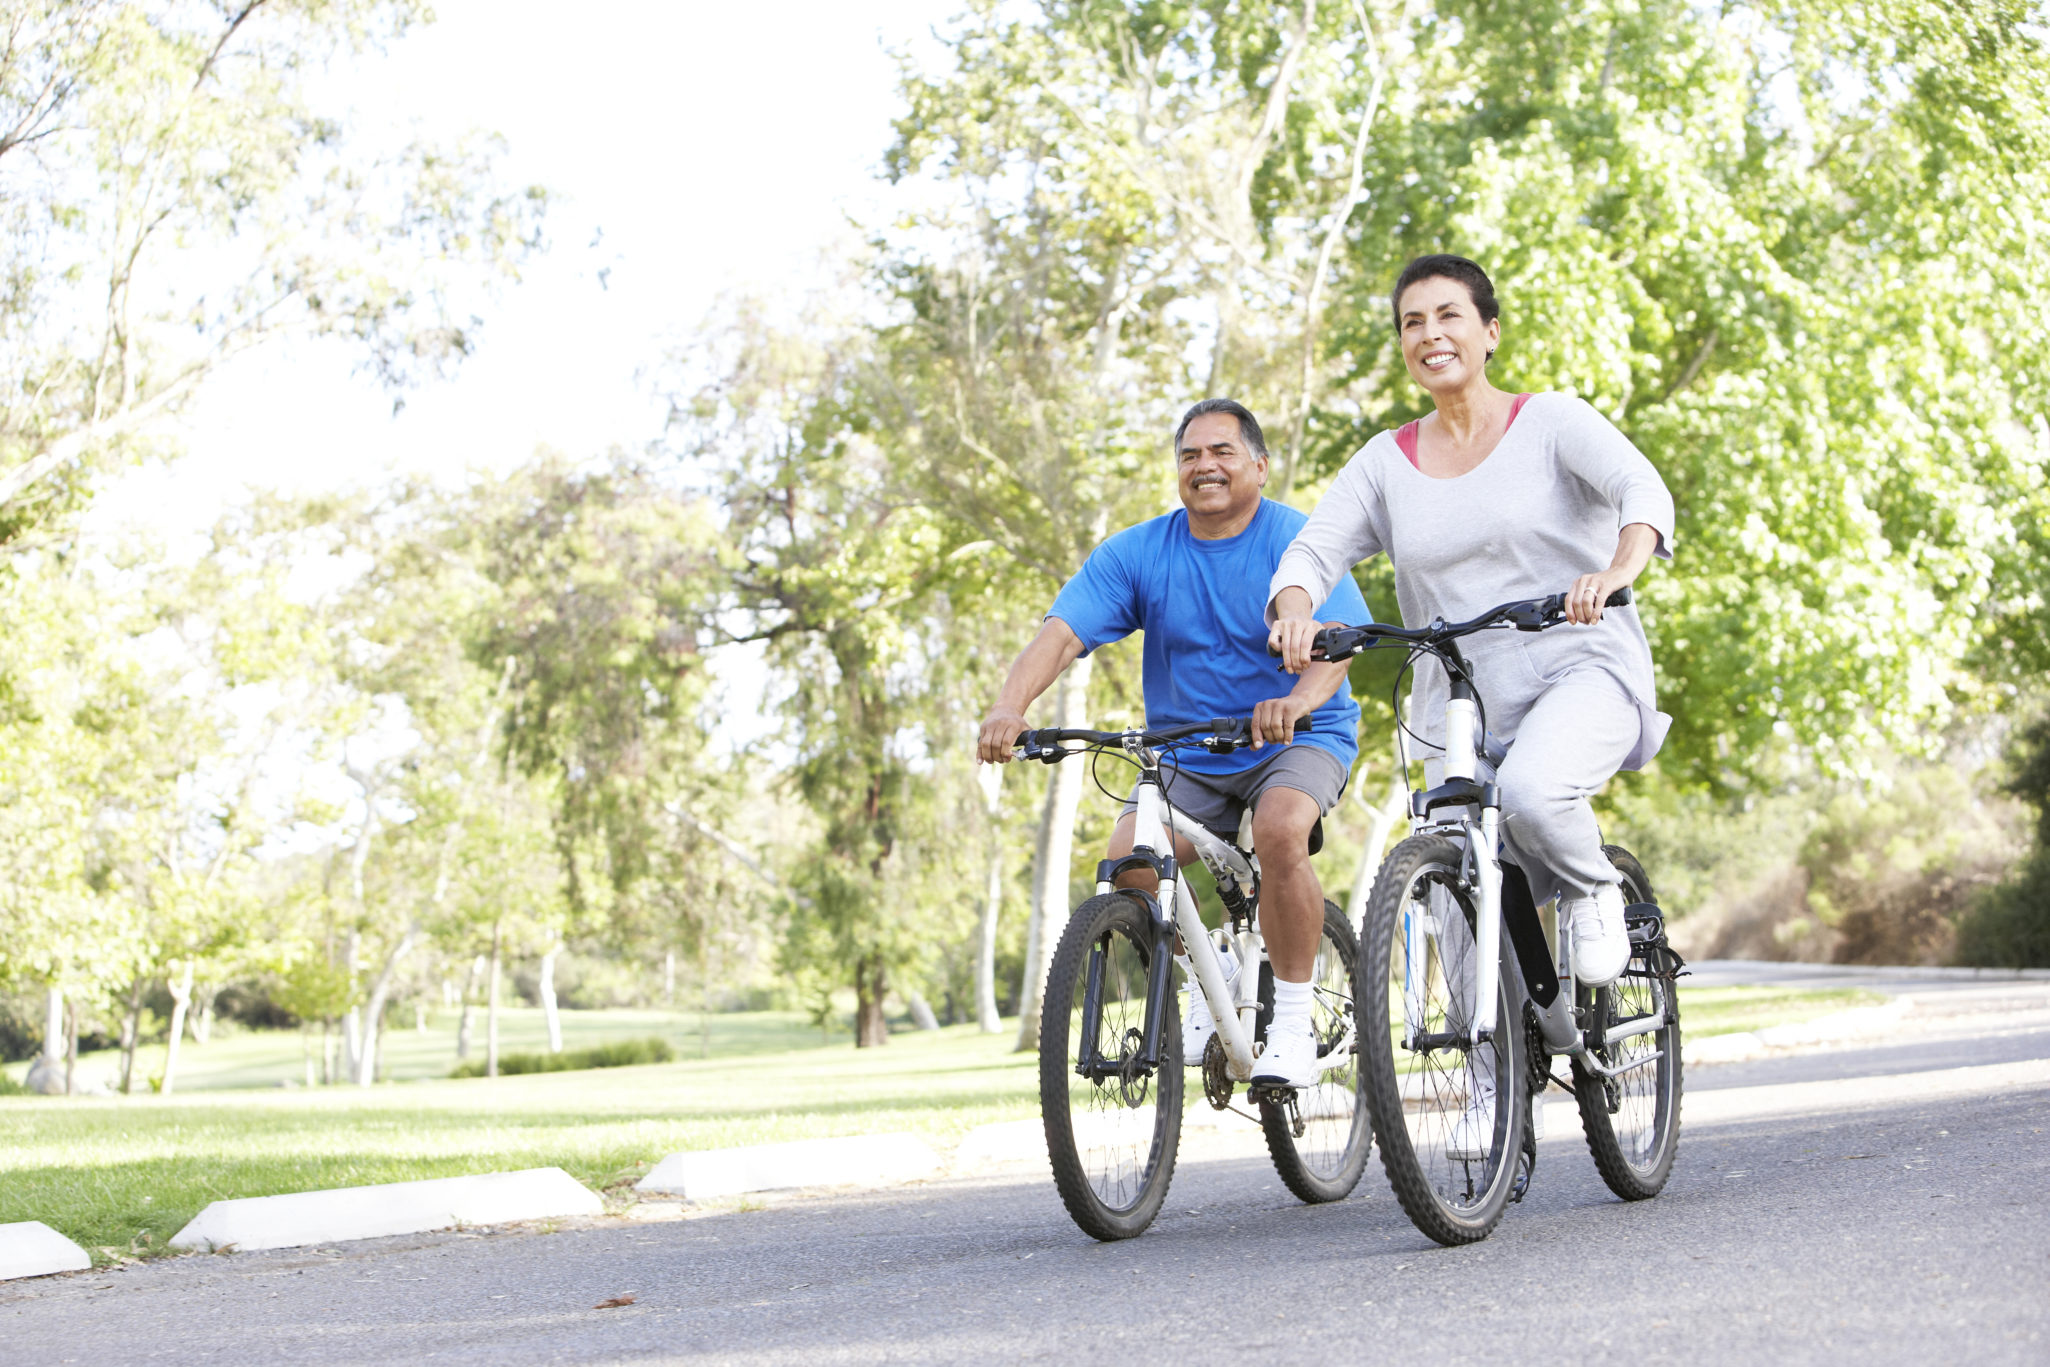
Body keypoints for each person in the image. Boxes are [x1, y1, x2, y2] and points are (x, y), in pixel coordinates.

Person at [1266, 254, 1675, 993]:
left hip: (1579, 666)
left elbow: (1639, 488)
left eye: (1448, 315)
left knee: (1533, 792)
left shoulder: (1551, 421)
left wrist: (1617, 572)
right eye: (1411, 323)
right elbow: (1311, 552)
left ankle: (1593, 888)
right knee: (1454, 892)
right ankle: (1494, 1089)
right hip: (1453, 703)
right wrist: (1295, 611)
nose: (1430, 334)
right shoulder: (1384, 462)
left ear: (1489, 331)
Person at [977, 399, 1370, 1088]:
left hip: (1299, 735)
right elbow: (1063, 633)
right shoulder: (1140, 552)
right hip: (1190, 748)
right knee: (1130, 864)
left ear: (1259, 463)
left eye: (1221, 451)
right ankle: (1208, 975)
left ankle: (1292, 1024)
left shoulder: (1299, 539)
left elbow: (1340, 644)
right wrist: (1010, 707)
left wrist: (1297, 701)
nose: (1204, 466)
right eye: (1190, 455)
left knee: (1280, 831)